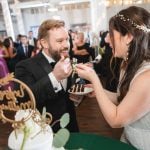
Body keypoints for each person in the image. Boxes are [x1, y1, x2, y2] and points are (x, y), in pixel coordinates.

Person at [76, 6, 150, 150]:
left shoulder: (146, 78)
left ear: (128, 36)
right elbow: (122, 99)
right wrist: (98, 92)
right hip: (127, 140)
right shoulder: (127, 65)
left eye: (111, 34)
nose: (108, 40)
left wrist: (94, 79)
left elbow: (116, 120)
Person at [15, 19, 79, 133]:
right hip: (45, 132)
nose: (66, 45)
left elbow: (69, 91)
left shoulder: (68, 59)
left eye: (67, 39)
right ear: (44, 43)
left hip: (71, 127)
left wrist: (78, 95)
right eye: (60, 41)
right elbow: (24, 100)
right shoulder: (24, 66)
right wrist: (54, 77)